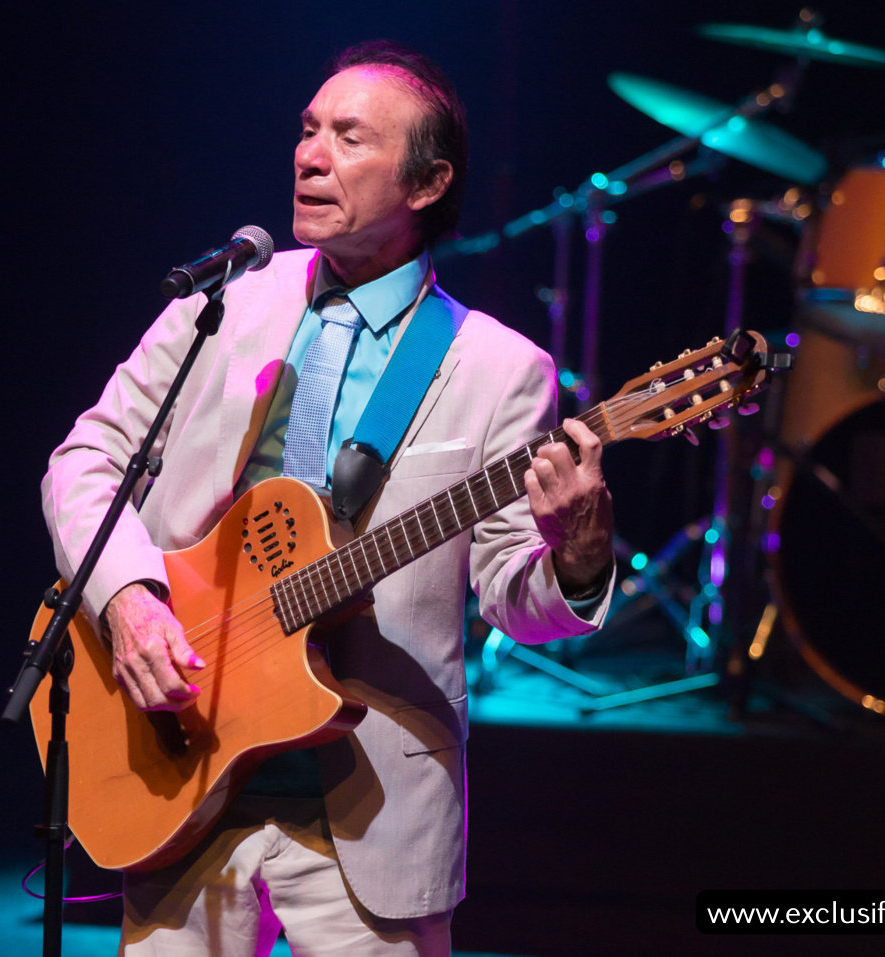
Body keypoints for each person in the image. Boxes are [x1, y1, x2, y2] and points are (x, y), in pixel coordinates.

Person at [42, 41, 614, 956]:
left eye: (350, 138)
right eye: (309, 130)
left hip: (370, 809)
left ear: (427, 184)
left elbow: (517, 597)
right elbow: (87, 459)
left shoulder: (500, 369)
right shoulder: (222, 306)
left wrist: (578, 558)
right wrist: (128, 600)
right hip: (183, 764)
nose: (310, 155)